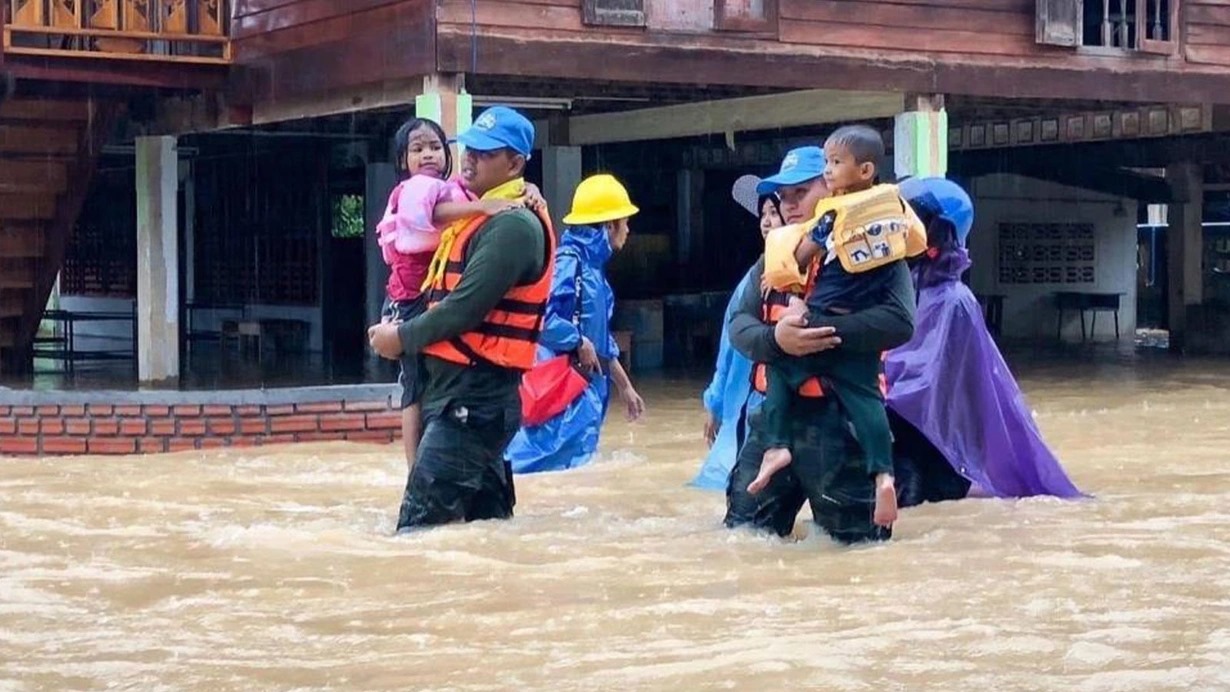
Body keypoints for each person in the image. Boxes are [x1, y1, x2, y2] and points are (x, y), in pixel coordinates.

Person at [367, 106, 555, 532]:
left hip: (473, 401)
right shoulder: (476, 209)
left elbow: (464, 309)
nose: (469, 158)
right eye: (468, 148)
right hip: (462, 397)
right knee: (485, 531)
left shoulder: (512, 226)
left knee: (418, 531)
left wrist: (401, 337)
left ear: (515, 164)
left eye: (485, 153)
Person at [724, 145, 917, 545]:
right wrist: (777, 339)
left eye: (801, 192)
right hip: (774, 424)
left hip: (841, 423)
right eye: (783, 197)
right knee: (743, 539)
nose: (789, 205)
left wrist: (819, 327)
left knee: (859, 551)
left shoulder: (875, 252)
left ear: (830, 189)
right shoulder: (775, 257)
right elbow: (739, 327)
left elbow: (901, 322)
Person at [887, 177, 1084, 506]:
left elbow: (920, 379)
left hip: (927, 448)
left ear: (938, 231)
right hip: (903, 441)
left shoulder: (952, 300)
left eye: (911, 219)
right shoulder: (902, 287)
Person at [376, 117, 525, 472]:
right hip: (408, 301)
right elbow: (433, 215)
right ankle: (415, 469)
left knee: (427, 387)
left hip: (428, 300)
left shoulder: (453, 188)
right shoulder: (413, 190)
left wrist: (526, 190)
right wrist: (484, 208)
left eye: (435, 147)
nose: (428, 155)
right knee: (413, 390)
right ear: (403, 161)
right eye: (417, 149)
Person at [505, 174, 646, 473]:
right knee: (539, 468)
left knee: (572, 472)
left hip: (582, 399)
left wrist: (625, 387)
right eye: (625, 221)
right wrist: (577, 341)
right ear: (609, 225)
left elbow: (602, 343)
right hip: (562, 396)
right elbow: (541, 319)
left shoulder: (593, 271)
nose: (629, 229)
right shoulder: (570, 262)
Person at [692, 176, 783, 490]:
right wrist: (715, 406)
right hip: (746, 406)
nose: (768, 222)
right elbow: (728, 348)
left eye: (775, 212)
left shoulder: (816, 272)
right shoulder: (754, 279)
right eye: (764, 214)